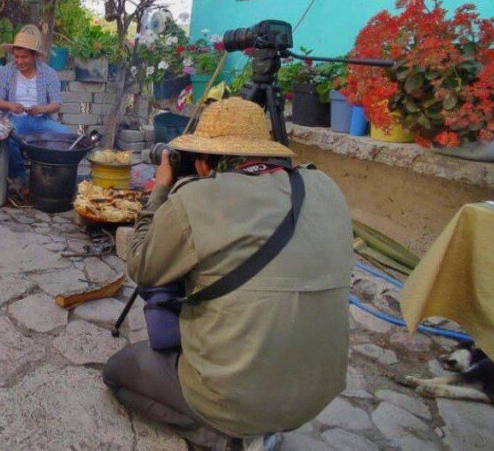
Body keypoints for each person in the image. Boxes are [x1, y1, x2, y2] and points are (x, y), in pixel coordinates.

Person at [103, 98, 353, 450]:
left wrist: (161, 190)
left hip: (233, 401)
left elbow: (142, 266)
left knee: (117, 373)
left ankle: (226, 438)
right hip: (315, 396)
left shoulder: (197, 199)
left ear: (203, 161)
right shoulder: (325, 187)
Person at [0, 25, 66, 188]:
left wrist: (40, 109)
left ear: (34, 56)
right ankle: (19, 176)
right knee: (7, 137)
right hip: (14, 120)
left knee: (66, 136)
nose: (19, 61)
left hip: (41, 120)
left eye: (24, 57)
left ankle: (56, 178)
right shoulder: (7, 71)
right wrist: (10, 105)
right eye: (16, 56)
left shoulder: (48, 73)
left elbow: (56, 104)